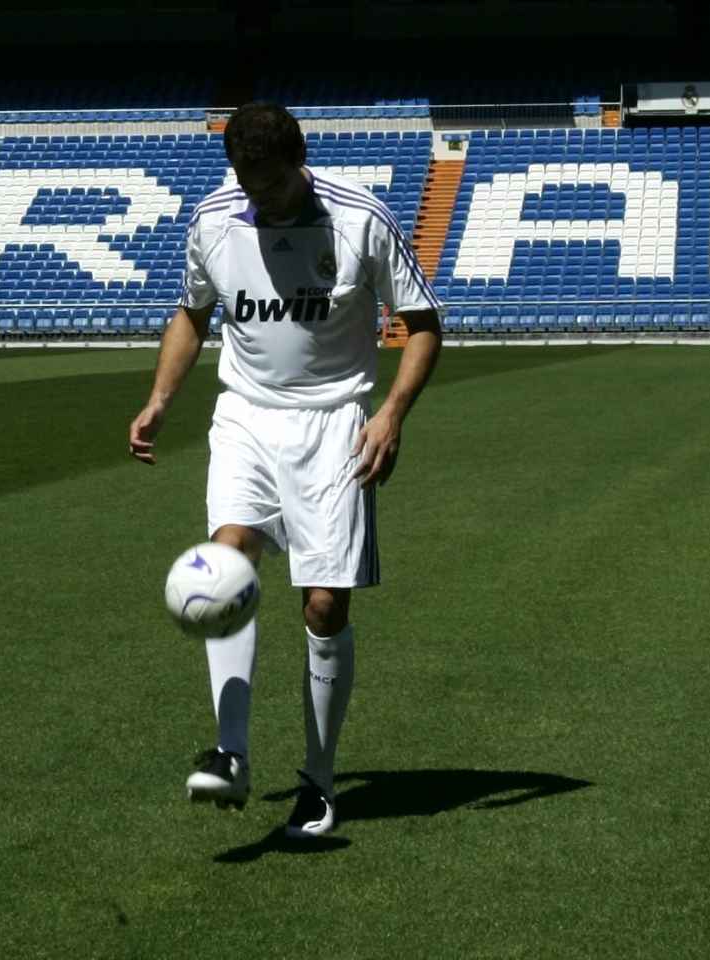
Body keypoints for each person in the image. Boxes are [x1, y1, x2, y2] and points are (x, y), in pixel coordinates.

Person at [127, 102, 443, 839]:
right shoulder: (214, 218)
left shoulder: (361, 218)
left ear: (301, 160)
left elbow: (422, 324)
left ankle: (320, 781)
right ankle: (231, 753)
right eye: (245, 181)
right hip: (244, 416)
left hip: (335, 424)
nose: (257, 197)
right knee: (227, 564)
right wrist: (159, 400)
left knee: (325, 606)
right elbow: (192, 312)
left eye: (269, 183)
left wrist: (391, 414)